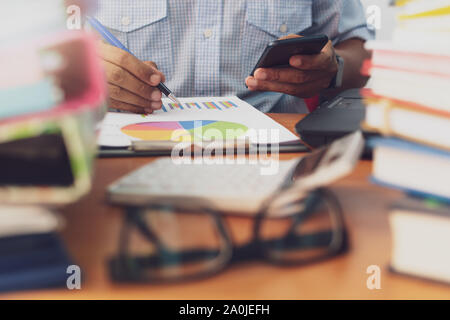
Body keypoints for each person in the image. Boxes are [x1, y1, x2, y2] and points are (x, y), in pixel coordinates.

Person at [95, 0, 374, 114]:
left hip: (276, 155)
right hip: (130, 151)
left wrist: (333, 68)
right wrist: (86, 74)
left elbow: (361, 57)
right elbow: (55, 59)